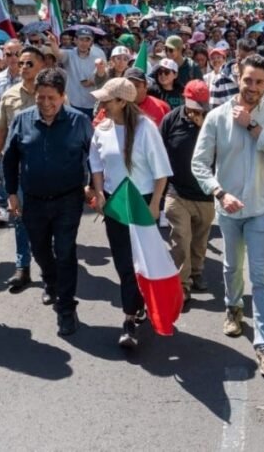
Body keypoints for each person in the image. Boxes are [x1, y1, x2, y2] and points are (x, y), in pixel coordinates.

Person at [192, 54, 264, 378]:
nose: (253, 87)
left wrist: (252, 126)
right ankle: (233, 307)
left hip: (262, 208)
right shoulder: (217, 117)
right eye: (248, 80)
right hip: (229, 209)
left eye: (259, 82)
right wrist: (219, 192)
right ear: (238, 76)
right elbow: (199, 163)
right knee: (232, 266)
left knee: (260, 276)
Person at [3, 69, 93, 337]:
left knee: (65, 252)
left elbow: (95, 157)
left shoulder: (79, 121)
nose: (46, 103)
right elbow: (10, 158)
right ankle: (50, 282)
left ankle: (66, 308)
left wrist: (92, 185)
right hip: (33, 201)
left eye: (51, 98)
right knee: (40, 250)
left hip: (68, 200)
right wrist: (11, 193)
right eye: (40, 97)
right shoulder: (22, 120)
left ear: (63, 96)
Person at [89, 78, 172, 348]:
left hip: (141, 201)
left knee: (143, 261)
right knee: (124, 261)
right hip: (116, 202)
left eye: (107, 100)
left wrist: (156, 203)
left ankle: (138, 310)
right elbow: (96, 164)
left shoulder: (146, 128)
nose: (101, 104)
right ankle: (131, 314)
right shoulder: (101, 129)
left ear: (122, 102)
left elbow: (161, 170)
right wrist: (100, 192)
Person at [0, 46, 43, 292]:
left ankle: (50, 265)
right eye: (20, 63)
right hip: (17, 167)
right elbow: (0, 129)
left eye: (29, 63)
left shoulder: (52, 94)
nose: (23, 67)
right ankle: (23, 266)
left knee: (46, 219)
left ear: (42, 66)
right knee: (19, 216)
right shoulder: (9, 95)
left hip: (46, 168)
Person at [160, 80, 215, 309]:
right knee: (181, 239)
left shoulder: (213, 121)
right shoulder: (171, 119)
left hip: (205, 193)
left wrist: (203, 128)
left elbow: (222, 152)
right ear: (185, 99)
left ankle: (196, 272)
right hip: (177, 191)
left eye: (201, 107)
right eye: (193, 107)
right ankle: (181, 285)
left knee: (200, 239)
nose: (196, 112)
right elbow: (159, 152)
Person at [48, 28, 106, 117]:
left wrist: (93, 81)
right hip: (74, 102)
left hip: (93, 102)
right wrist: (53, 43)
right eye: (81, 39)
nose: (84, 43)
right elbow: (58, 54)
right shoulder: (69, 54)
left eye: (87, 40)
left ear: (91, 42)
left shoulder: (99, 54)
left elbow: (104, 75)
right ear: (75, 40)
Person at [210, 39, 264, 108]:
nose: (247, 65)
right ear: (236, 54)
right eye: (242, 60)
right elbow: (215, 109)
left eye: (250, 61)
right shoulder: (220, 80)